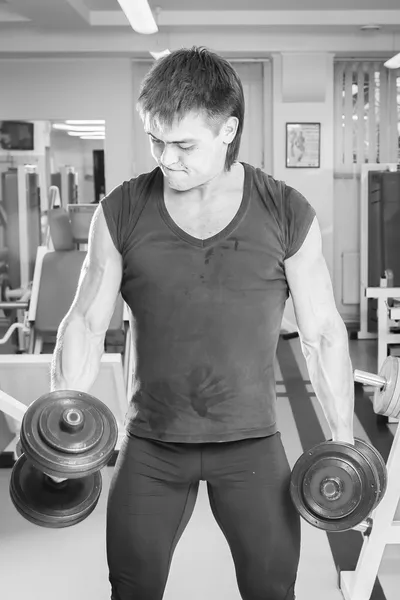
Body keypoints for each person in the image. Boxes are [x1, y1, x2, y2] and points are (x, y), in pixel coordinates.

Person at [50, 47, 355, 600]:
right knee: (131, 587)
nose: (166, 158)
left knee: (271, 588)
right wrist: (60, 423)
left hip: (252, 445)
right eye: (155, 140)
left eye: (183, 144)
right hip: (151, 444)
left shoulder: (285, 210)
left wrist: (342, 444)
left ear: (227, 130)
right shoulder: (122, 210)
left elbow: (323, 333)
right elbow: (86, 323)